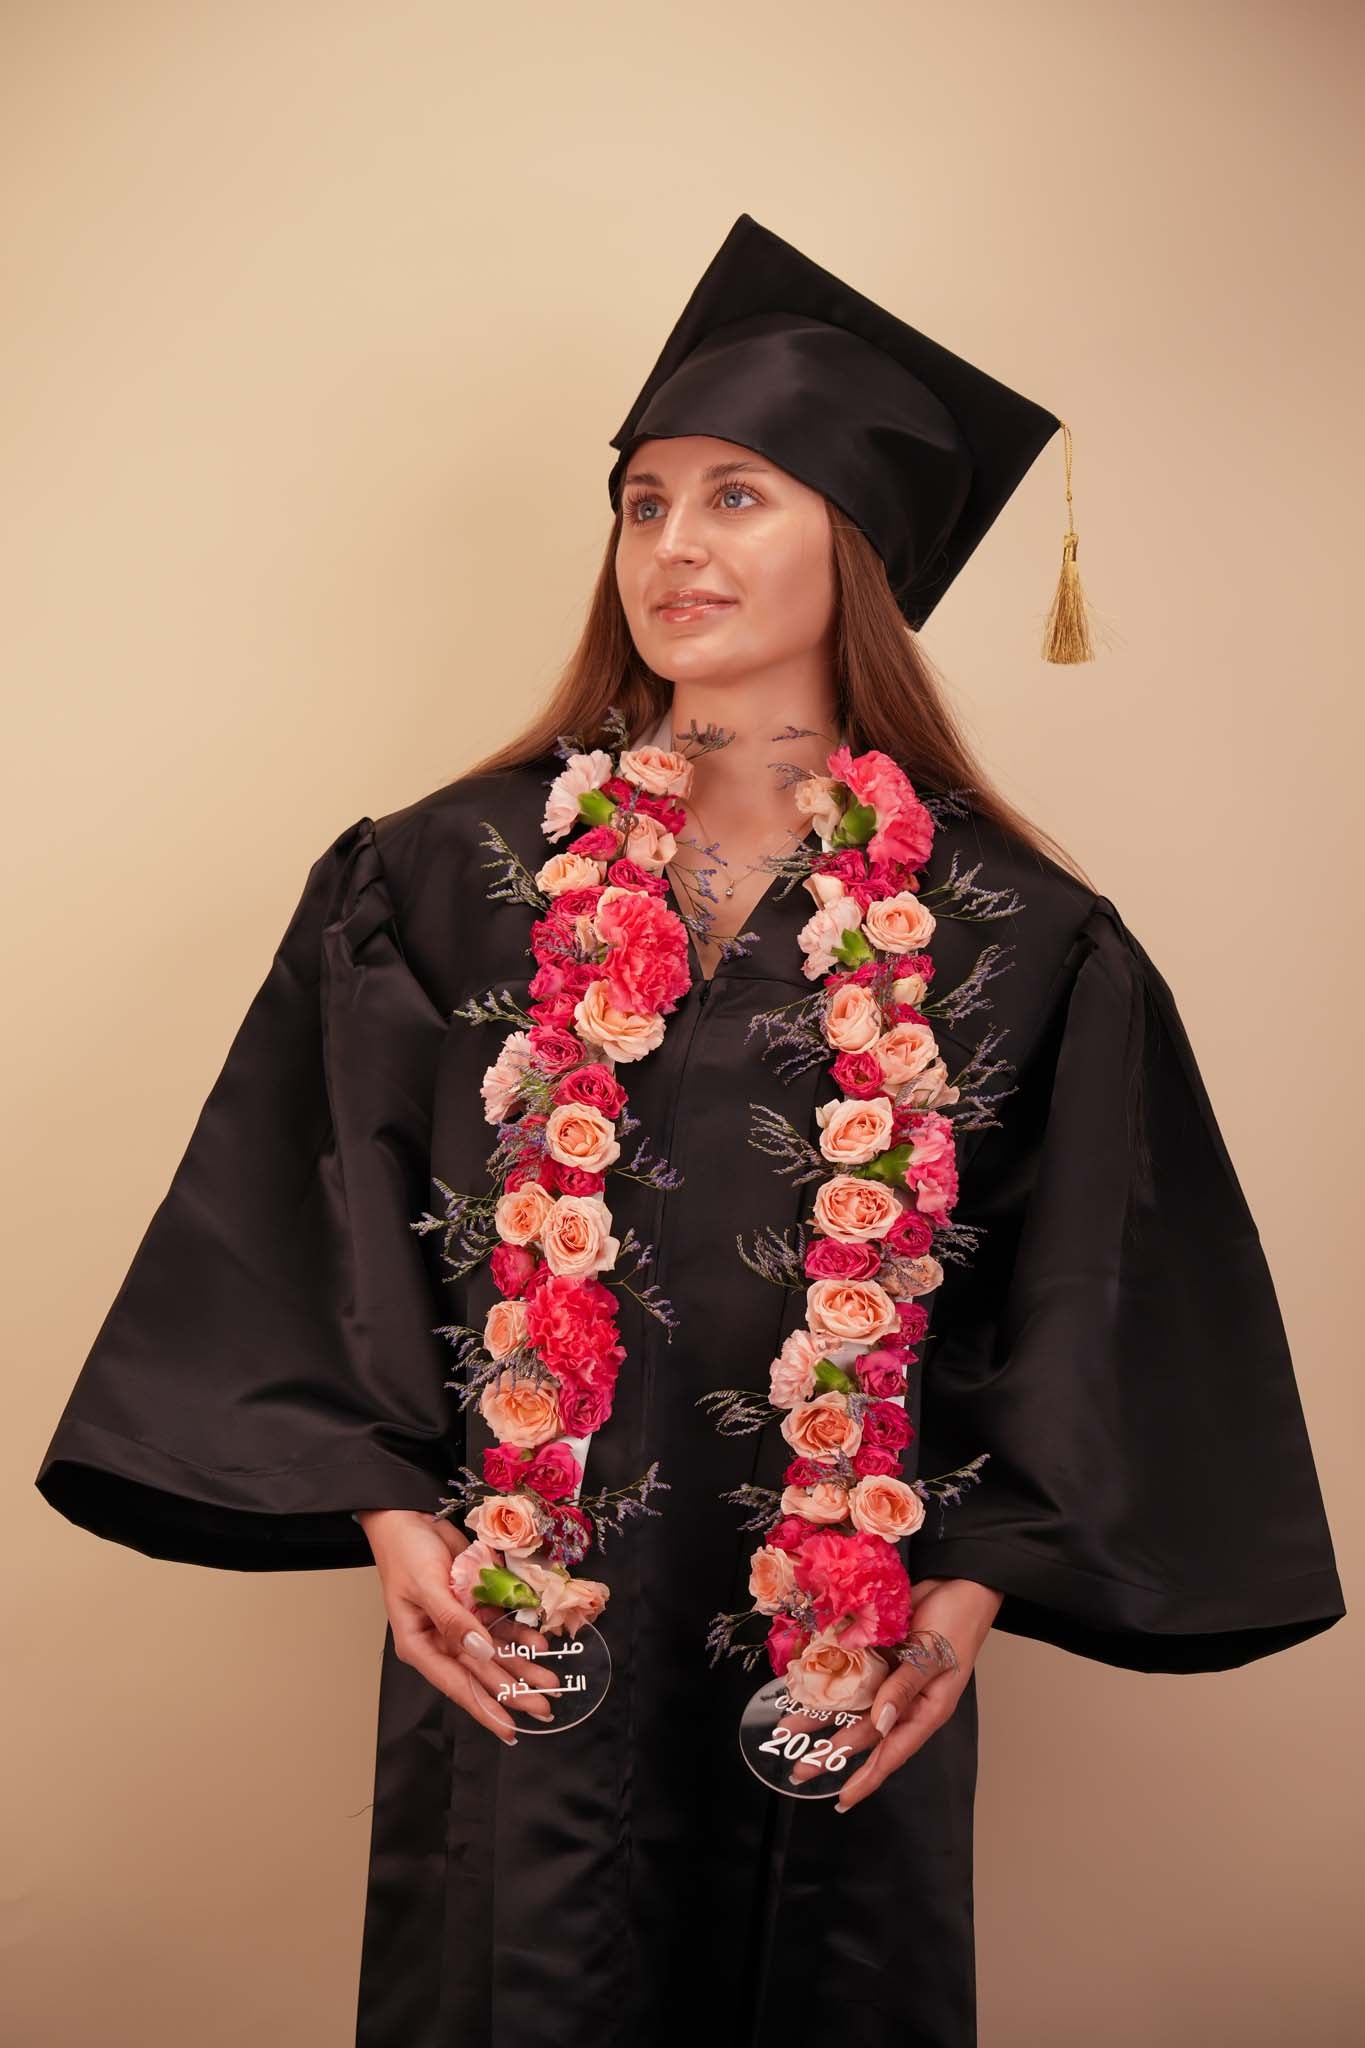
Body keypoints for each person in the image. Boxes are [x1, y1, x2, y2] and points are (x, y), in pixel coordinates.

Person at [34, 215, 1345, 2048]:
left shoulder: (1009, 930)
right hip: (518, 1621)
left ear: (857, 543)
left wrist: (956, 1611)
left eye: (738, 496)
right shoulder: (446, 872)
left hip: (836, 1647)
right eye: (642, 500)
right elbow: (311, 1191)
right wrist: (387, 1523)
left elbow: (1087, 1293)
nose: (670, 547)